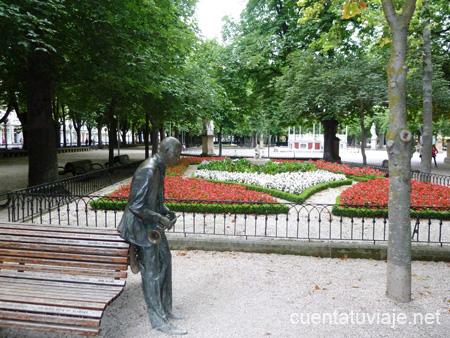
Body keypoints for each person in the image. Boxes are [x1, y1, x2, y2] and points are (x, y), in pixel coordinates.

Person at [118, 137, 186, 335]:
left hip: (151, 223)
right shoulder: (148, 169)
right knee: (152, 273)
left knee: (165, 259)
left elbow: (155, 199)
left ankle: (166, 308)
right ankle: (158, 321)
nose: (179, 158)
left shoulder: (160, 166)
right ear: (166, 150)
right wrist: (159, 217)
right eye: (177, 154)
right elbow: (135, 206)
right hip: (139, 227)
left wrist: (166, 211)